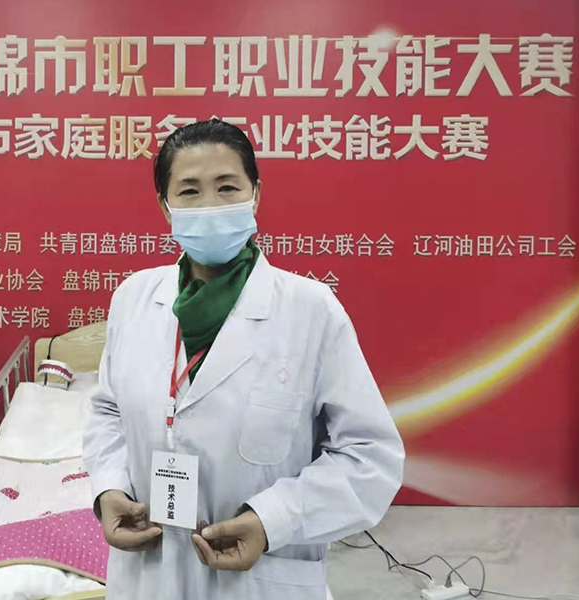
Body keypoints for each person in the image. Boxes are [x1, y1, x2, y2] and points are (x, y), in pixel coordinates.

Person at [83, 119, 405, 600]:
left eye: (227, 187)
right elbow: (108, 411)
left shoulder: (310, 310)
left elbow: (370, 456)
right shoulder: (134, 298)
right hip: (149, 573)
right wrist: (109, 489)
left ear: (255, 195)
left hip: (261, 581)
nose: (210, 205)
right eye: (189, 191)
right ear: (165, 206)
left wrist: (272, 520)